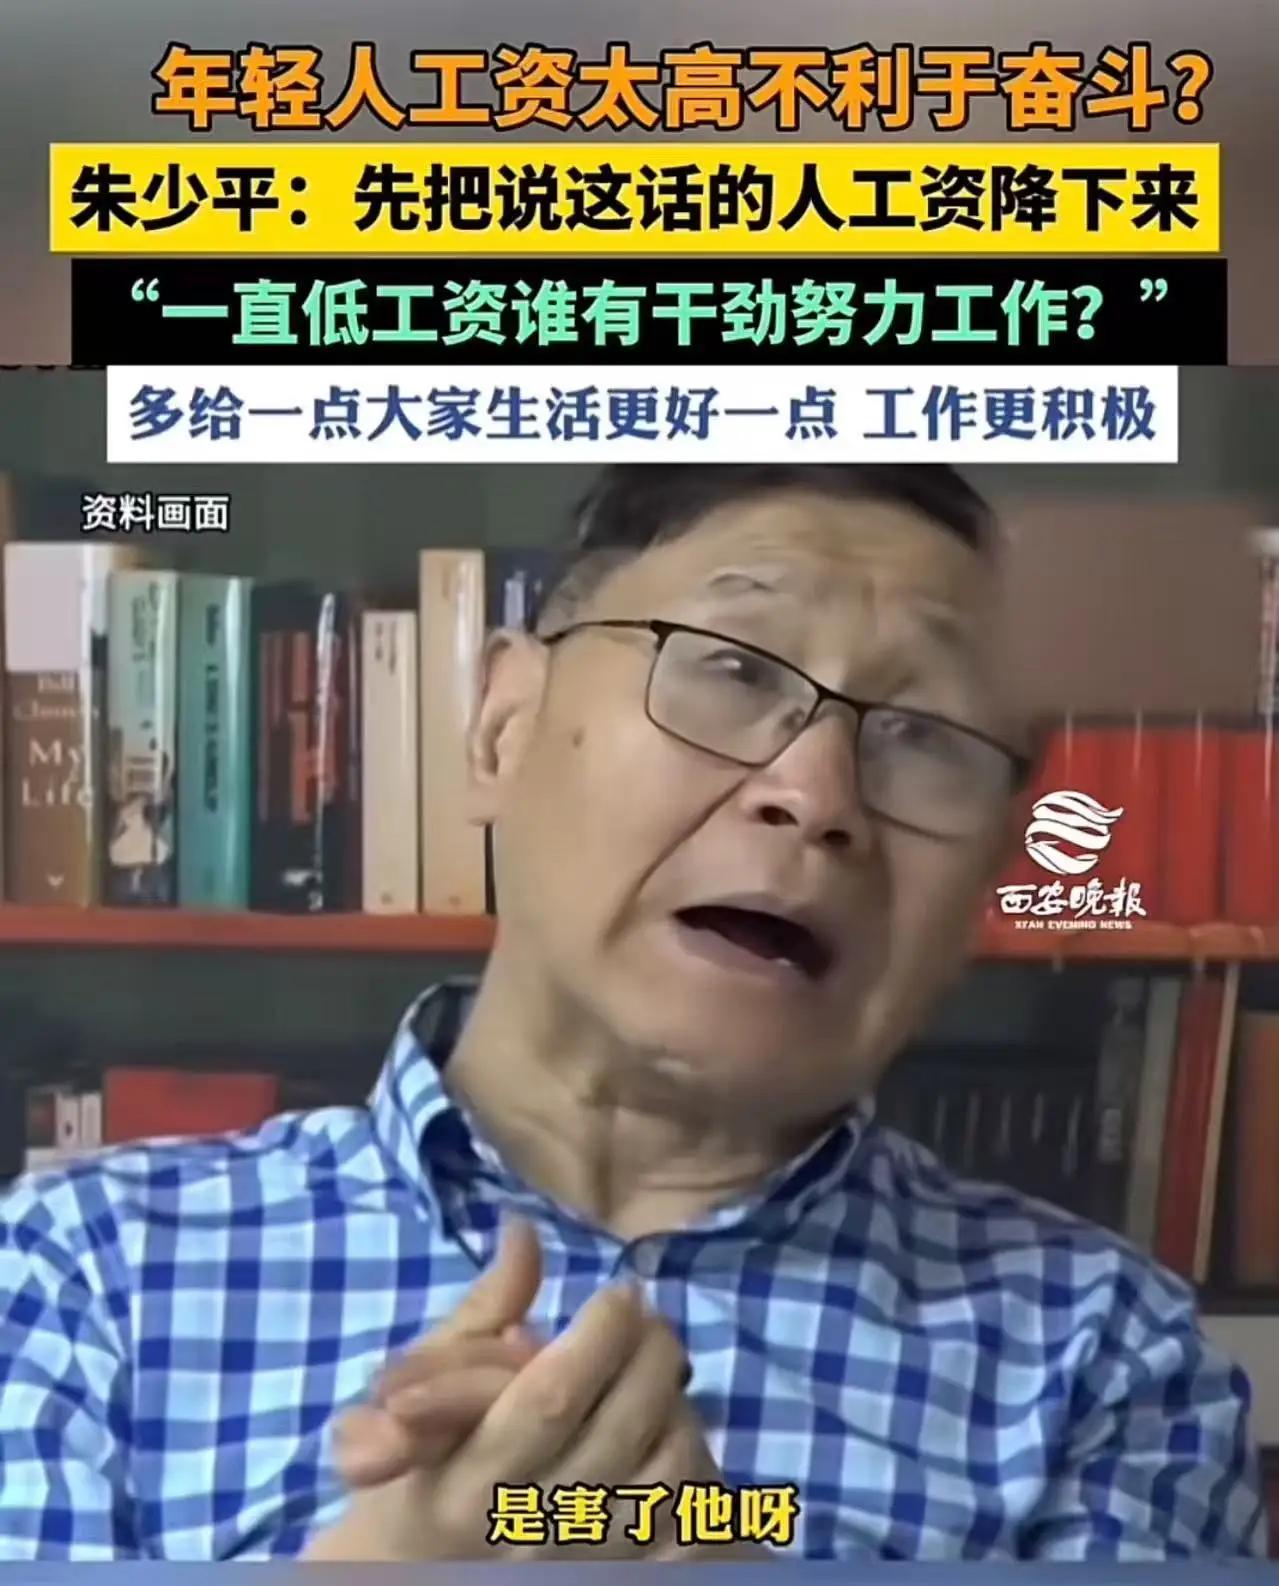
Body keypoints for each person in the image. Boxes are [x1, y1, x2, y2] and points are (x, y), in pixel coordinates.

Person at [0, 463, 1264, 1561]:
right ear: (501, 725)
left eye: (926, 733)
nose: (814, 793)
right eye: (733, 668)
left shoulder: (1107, 1361)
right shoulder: (73, 1273)